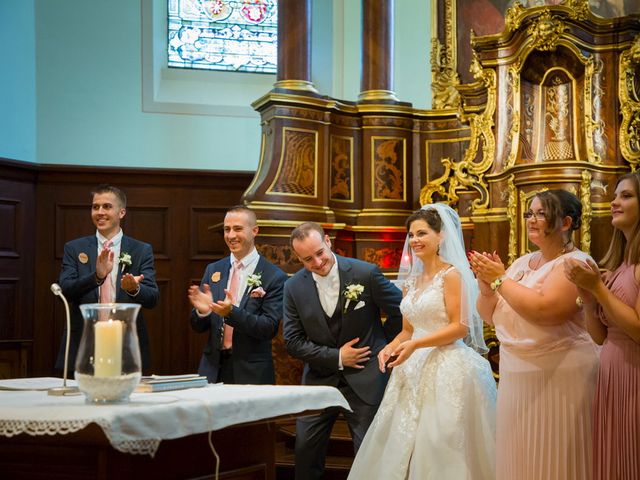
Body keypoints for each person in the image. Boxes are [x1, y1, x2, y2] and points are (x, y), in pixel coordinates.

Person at [348, 204, 497, 480]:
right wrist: (389, 347)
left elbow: (459, 327)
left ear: (441, 236)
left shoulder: (452, 275)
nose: (415, 240)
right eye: (412, 234)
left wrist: (416, 345)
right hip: (412, 369)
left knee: (441, 441)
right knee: (401, 439)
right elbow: (408, 330)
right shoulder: (411, 282)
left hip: (448, 365)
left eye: (422, 233)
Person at [470, 189, 599, 480]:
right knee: (521, 453)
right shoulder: (520, 264)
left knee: (559, 458)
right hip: (518, 375)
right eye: (530, 213)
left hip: (561, 375)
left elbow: (545, 311)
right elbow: (489, 315)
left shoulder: (576, 263)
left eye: (541, 213)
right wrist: (486, 288)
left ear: (566, 223)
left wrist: (499, 279)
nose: (531, 219)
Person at [283, 222, 403, 480]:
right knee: (305, 451)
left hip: (366, 378)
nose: (317, 262)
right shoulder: (293, 287)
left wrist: (384, 344)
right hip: (319, 379)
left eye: (319, 253)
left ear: (328, 241)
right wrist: (336, 357)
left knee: (368, 453)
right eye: (307, 259)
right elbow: (292, 340)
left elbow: (402, 311)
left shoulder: (365, 273)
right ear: (298, 258)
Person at [564, 171, 640, 480]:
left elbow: (636, 330)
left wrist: (598, 289)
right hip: (611, 375)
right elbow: (599, 337)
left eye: (626, 196)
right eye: (615, 196)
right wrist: (589, 297)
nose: (614, 203)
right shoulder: (622, 264)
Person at [56, 184, 159, 373]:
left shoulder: (141, 250)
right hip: (84, 341)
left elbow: (152, 298)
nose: (100, 212)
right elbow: (66, 290)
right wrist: (97, 277)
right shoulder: (74, 248)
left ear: (121, 212)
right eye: (95, 207)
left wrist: (133, 288)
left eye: (107, 207)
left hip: (125, 343)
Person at [188, 206, 287, 384]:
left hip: (252, 372)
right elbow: (197, 326)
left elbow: (268, 328)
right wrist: (204, 312)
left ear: (254, 231)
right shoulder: (214, 270)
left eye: (238, 229)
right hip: (213, 369)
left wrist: (231, 313)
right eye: (227, 229)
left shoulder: (273, 276)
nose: (231, 235)